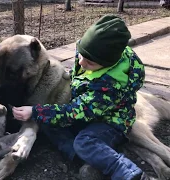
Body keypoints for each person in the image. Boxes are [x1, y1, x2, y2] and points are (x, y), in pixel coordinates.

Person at [12, 15, 153, 180]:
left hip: (109, 122)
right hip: (86, 110)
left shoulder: (107, 87)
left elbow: (74, 113)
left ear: (108, 64)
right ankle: (88, 161)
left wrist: (35, 111)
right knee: (48, 122)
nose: (81, 63)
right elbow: (82, 70)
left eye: (90, 63)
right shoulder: (94, 52)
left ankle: (128, 173)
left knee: (85, 142)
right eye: (81, 55)